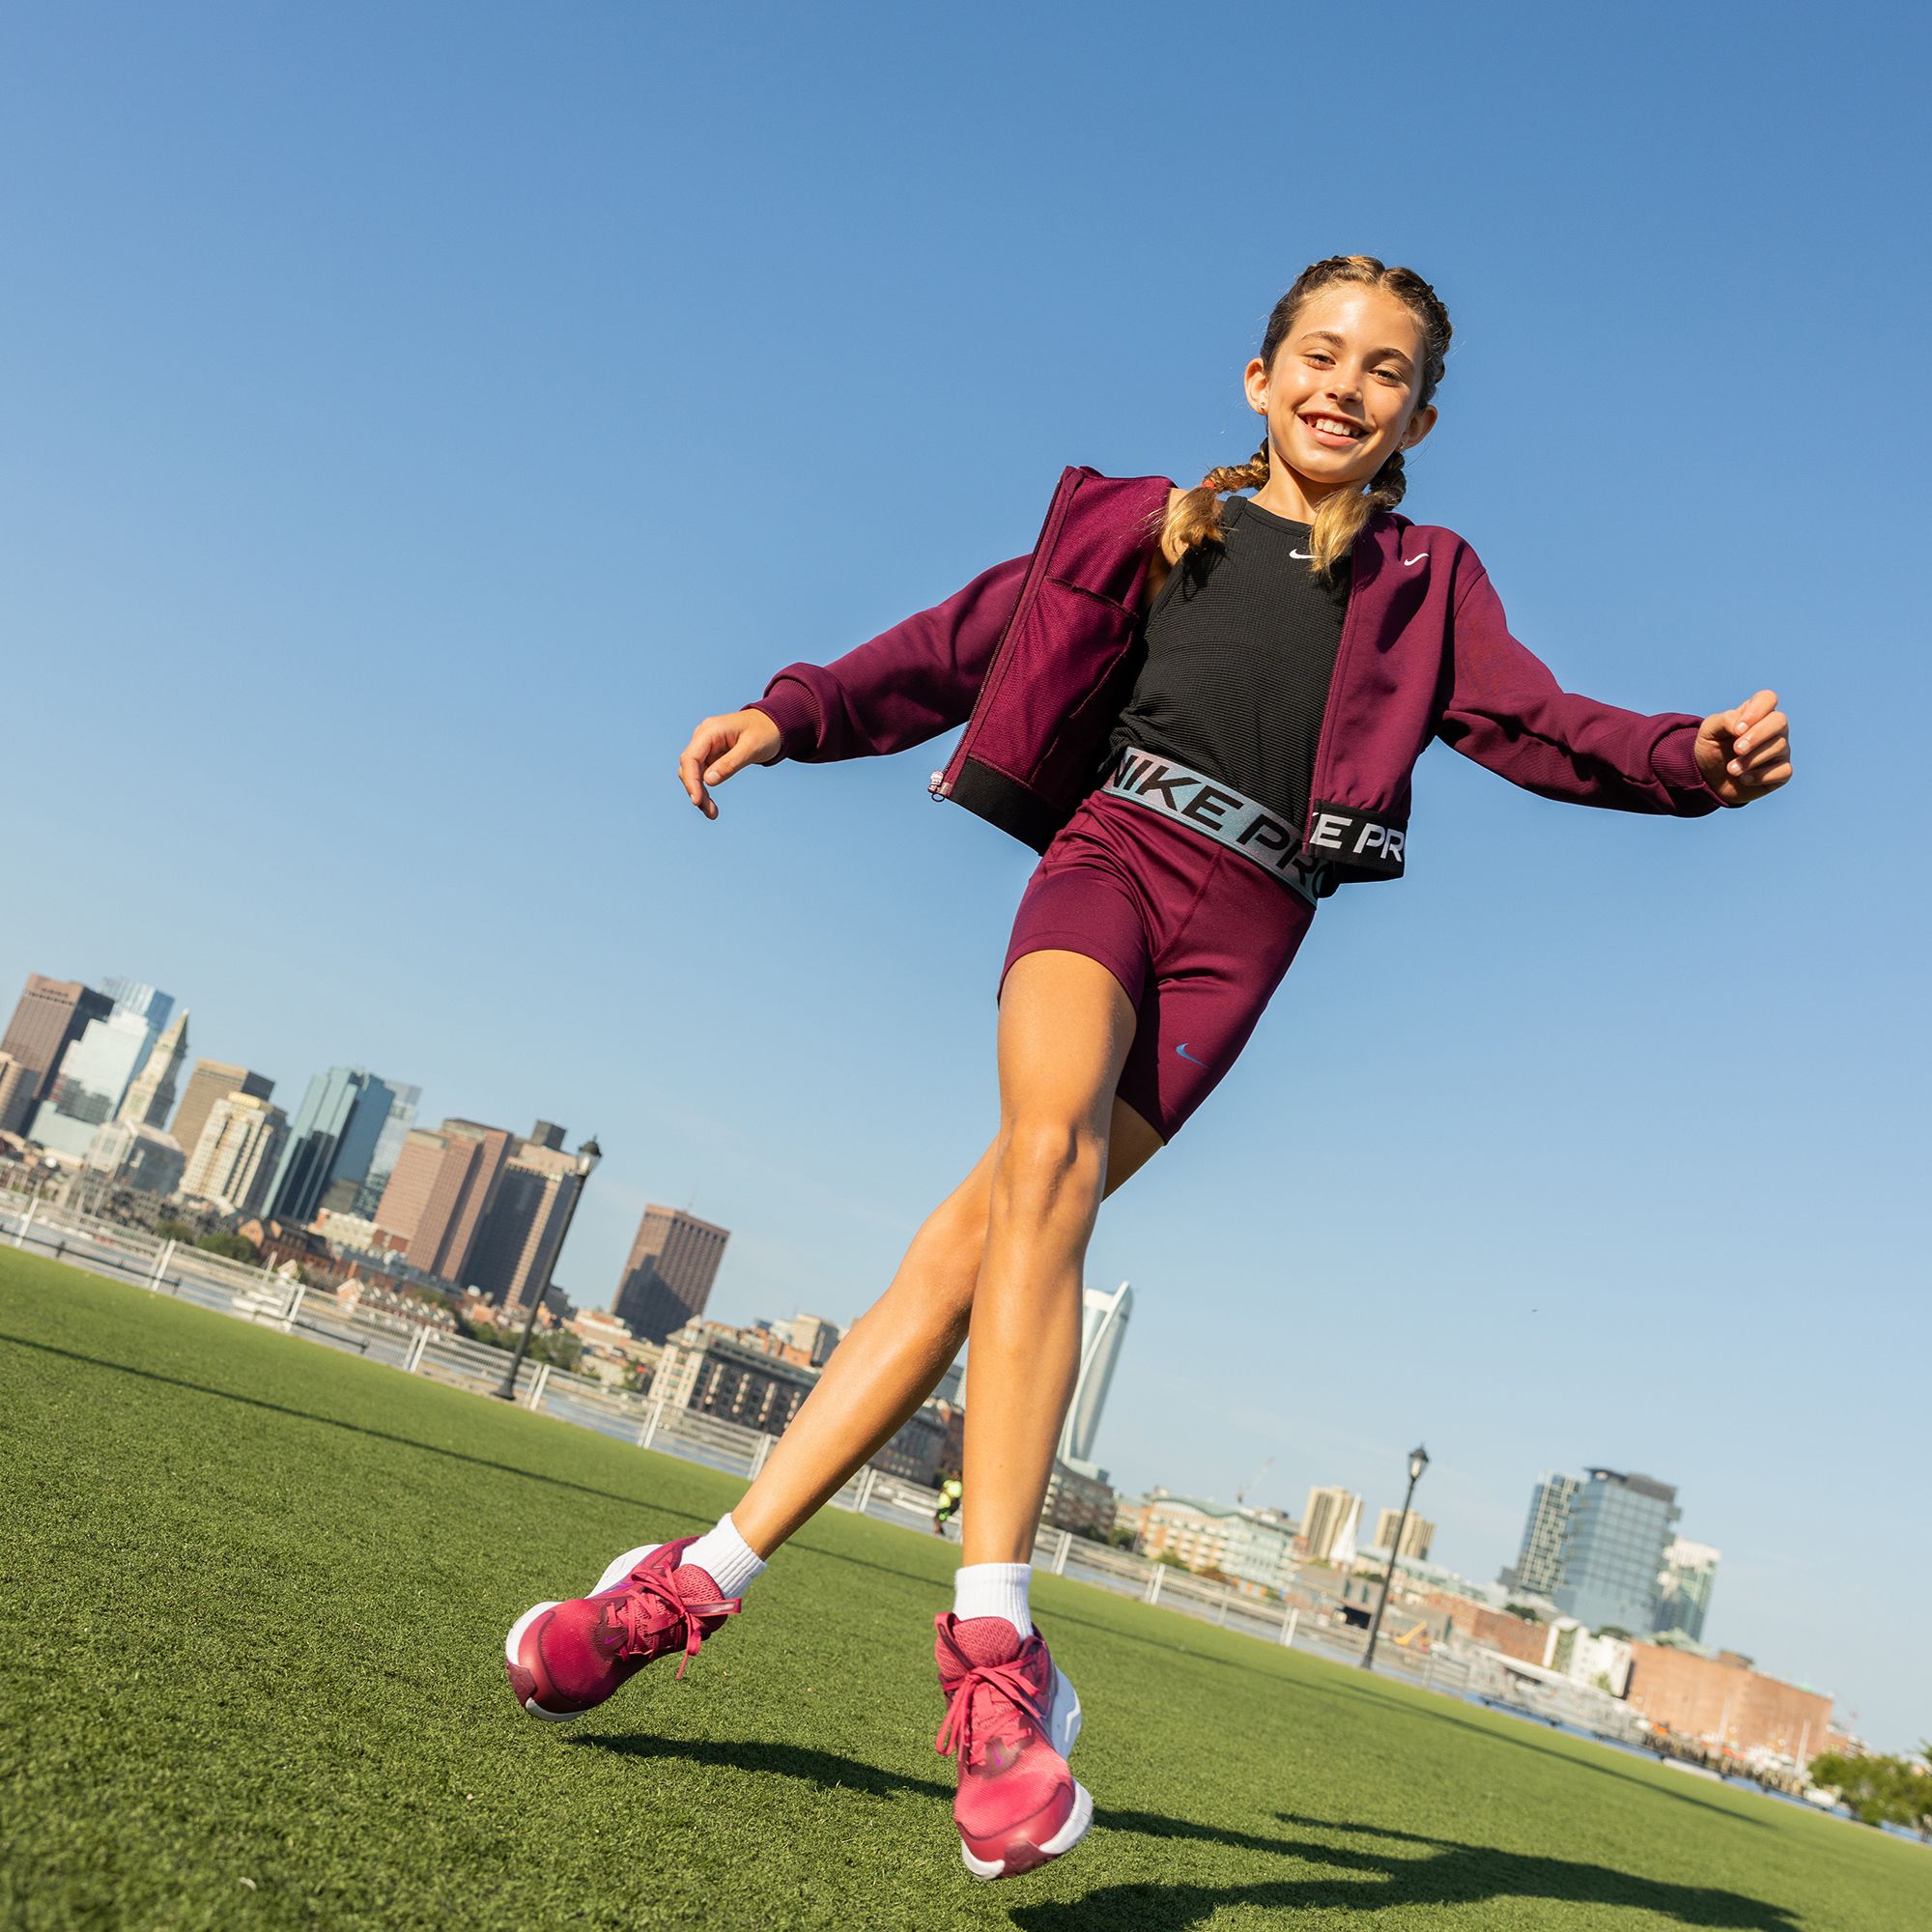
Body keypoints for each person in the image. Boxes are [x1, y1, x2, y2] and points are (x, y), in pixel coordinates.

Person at [503, 255, 1792, 1881]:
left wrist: (1688, 763)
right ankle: (995, 1653)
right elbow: (964, 637)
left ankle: (693, 1579)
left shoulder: (1427, 579)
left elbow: (1537, 723)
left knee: (979, 1249)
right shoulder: (1143, 524)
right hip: (1111, 852)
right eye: (1317, 353)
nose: (1344, 384)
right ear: (1258, 379)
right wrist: (798, 709)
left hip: (1249, 928)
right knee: (1042, 1168)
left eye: (1385, 370)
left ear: (1424, 416)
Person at [933, 1470, 964, 1538]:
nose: (953, 1475)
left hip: (949, 1506)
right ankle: (942, 1534)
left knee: (939, 1519)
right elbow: (941, 1491)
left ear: (959, 1477)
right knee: (936, 1518)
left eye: (955, 1475)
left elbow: (954, 1498)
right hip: (942, 1504)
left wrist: (946, 1492)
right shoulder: (948, 1482)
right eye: (952, 1474)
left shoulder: (958, 1485)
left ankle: (936, 1533)